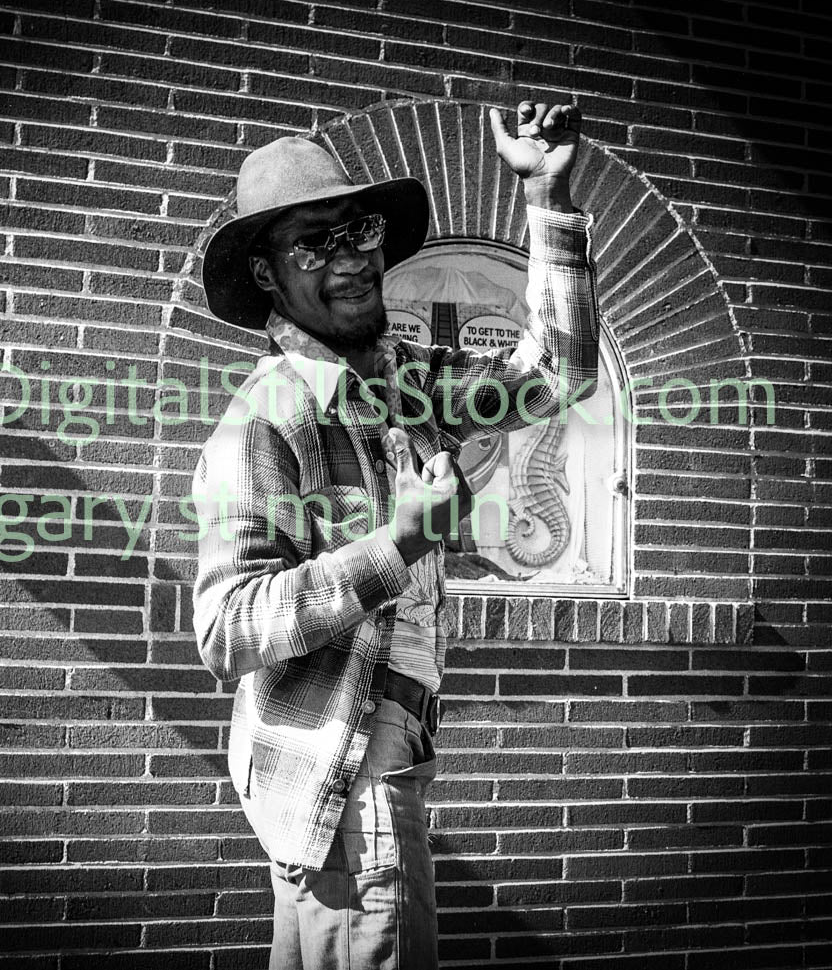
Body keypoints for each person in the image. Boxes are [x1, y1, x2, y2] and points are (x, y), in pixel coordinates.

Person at [191, 100, 600, 969]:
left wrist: (549, 201)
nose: (351, 257)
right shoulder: (268, 415)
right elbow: (229, 628)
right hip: (348, 783)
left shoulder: (402, 388)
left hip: (380, 763)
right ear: (266, 277)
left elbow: (552, 374)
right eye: (314, 242)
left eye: (360, 228)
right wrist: (400, 546)